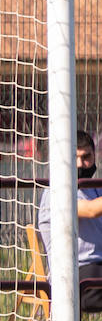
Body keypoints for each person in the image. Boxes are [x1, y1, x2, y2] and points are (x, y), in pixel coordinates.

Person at [38, 130, 102, 310]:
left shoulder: (94, 188)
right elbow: (90, 210)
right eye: (75, 157)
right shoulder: (56, 191)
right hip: (74, 277)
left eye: (87, 157)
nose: (81, 164)